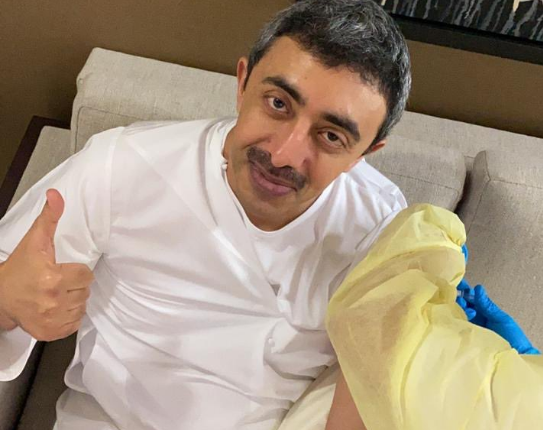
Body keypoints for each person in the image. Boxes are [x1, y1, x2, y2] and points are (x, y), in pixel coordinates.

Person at [0, 1, 411, 429]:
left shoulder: (383, 234)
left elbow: (370, 388)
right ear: (242, 83)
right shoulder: (123, 164)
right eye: (277, 103)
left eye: (330, 136)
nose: (283, 154)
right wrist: (9, 298)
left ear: (363, 154)